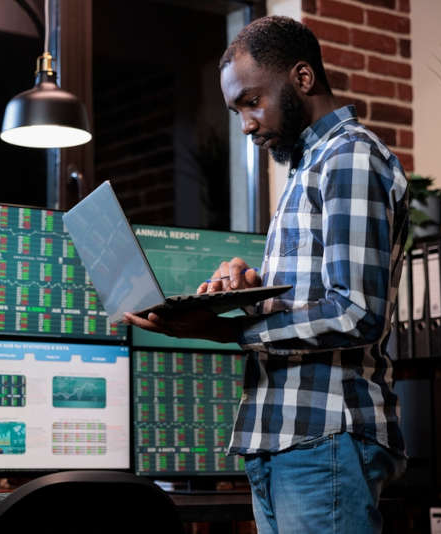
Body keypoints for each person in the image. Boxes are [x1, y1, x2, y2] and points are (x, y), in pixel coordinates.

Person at [124, 15, 408, 534]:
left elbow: (356, 312)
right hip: (284, 437)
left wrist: (229, 329)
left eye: (252, 102)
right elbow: (315, 298)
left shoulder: (349, 158)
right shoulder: (307, 168)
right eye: (237, 110)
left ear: (302, 79)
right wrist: (249, 295)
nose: (246, 124)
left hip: (324, 437)